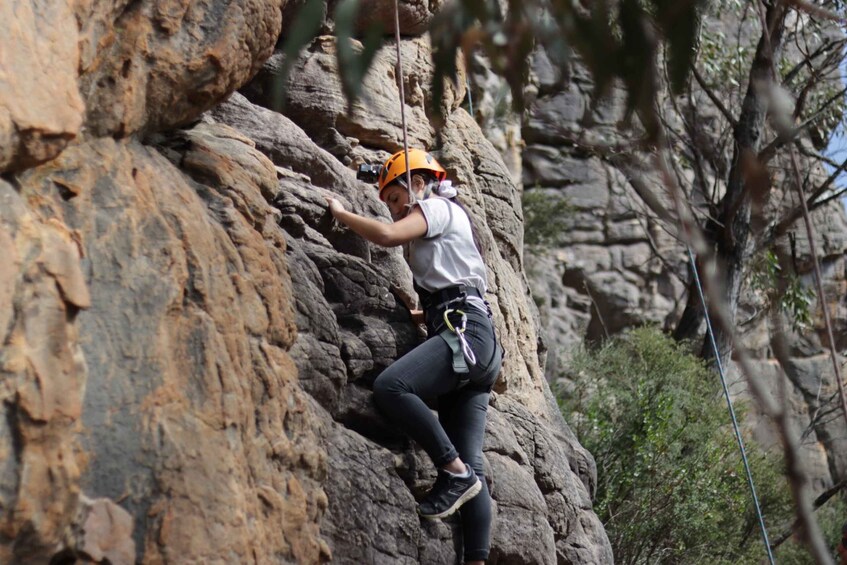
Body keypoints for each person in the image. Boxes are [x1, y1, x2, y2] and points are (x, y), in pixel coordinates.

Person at [325, 148, 503, 564]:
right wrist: (424, 312)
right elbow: (456, 285)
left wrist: (340, 213)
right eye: (388, 203)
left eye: (394, 199)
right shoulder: (445, 217)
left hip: (466, 333)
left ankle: (451, 471)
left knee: (392, 387)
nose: (393, 209)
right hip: (475, 338)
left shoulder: (437, 207)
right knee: (475, 467)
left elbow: (386, 238)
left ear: (418, 183)